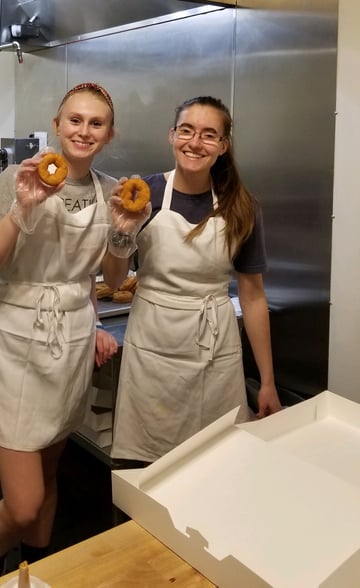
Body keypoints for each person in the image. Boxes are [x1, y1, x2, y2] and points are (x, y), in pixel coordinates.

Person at [0, 82, 119, 584]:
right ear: (57, 125)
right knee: (25, 502)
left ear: (109, 134)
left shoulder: (110, 191)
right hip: (16, 341)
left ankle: (34, 573)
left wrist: (123, 234)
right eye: (74, 120)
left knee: (50, 472)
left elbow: (111, 281)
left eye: (96, 123)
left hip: (71, 341)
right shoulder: (18, 178)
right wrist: (21, 209)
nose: (84, 130)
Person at [105, 95, 282, 465]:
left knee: (215, 462)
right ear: (172, 136)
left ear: (222, 145)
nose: (195, 142)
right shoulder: (144, 194)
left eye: (208, 134)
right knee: (146, 466)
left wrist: (267, 381)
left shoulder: (240, 206)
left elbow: (252, 297)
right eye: (186, 130)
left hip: (213, 348)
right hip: (152, 346)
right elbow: (115, 278)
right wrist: (120, 232)